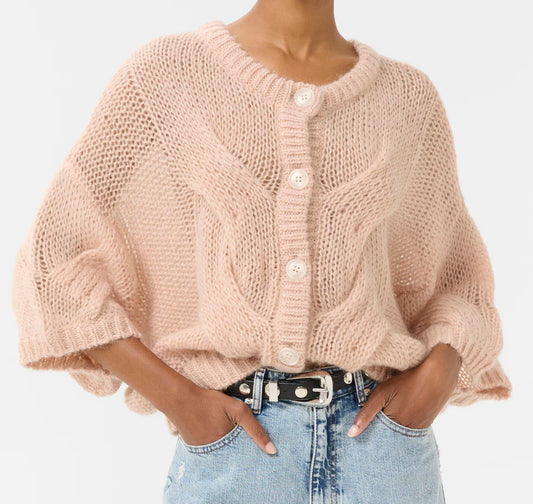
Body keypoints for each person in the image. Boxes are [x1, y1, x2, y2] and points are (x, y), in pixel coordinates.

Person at [11, 1, 512, 502]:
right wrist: (182, 402)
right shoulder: (167, 74)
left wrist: (439, 372)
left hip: (384, 457)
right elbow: (51, 263)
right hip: (236, 454)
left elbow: (457, 277)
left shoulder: (407, 97)